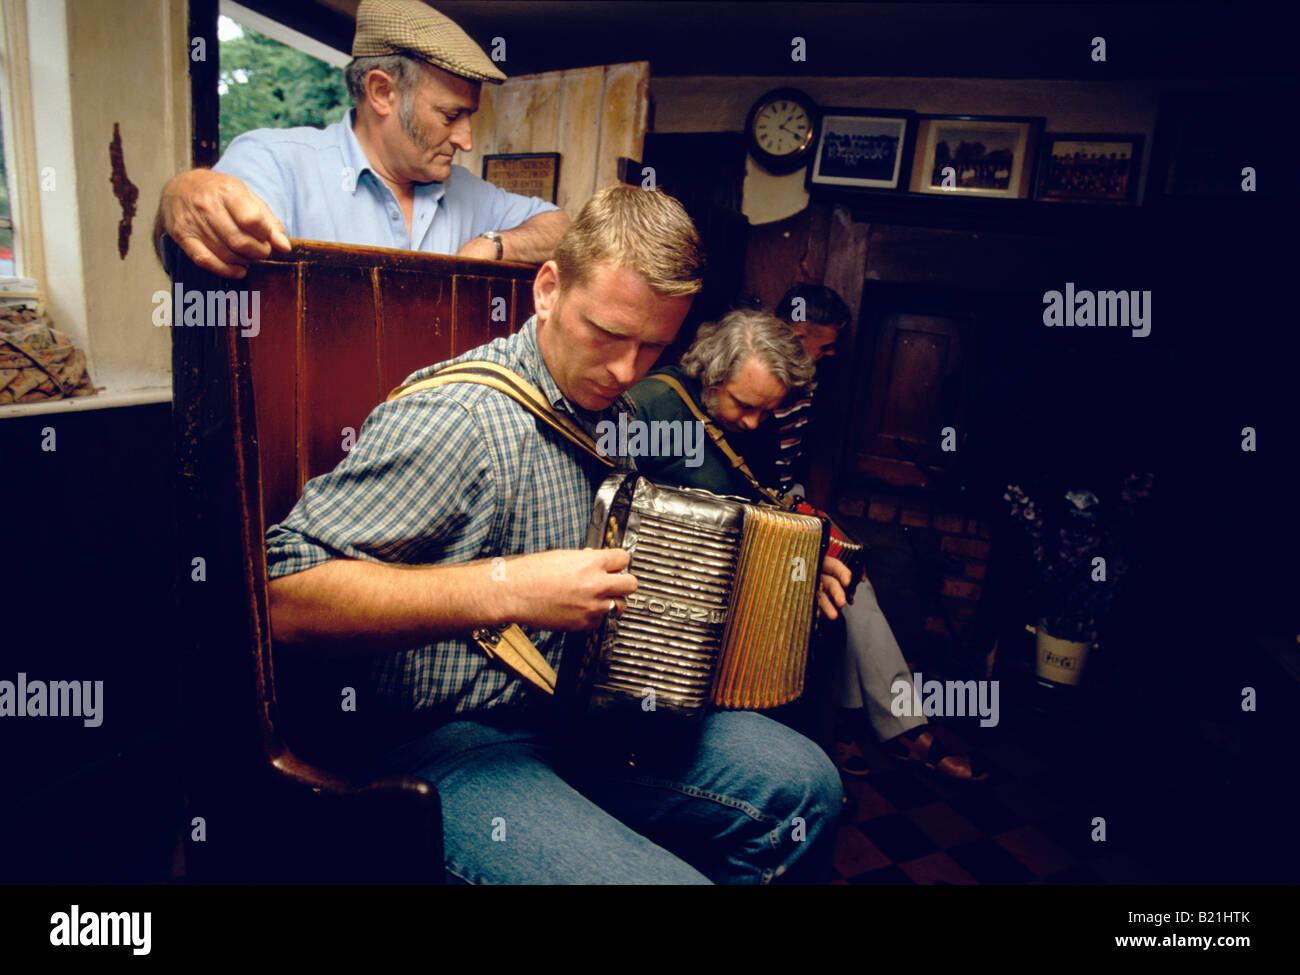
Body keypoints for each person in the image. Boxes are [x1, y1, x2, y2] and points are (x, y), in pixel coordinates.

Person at [264, 185, 842, 884]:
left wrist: (781, 588)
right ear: (546, 290)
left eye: (653, 346)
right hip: (440, 741)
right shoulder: (464, 417)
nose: (627, 370)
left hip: (574, 714)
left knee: (807, 784)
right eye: (606, 333)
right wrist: (509, 586)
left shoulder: (618, 415)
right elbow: (284, 599)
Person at [628, 301, 986, 782]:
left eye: (767, 409)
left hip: (736, 582)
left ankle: (809, 764)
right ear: (711, 376)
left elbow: (759, 509)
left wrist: (798, 562)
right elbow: (614, 513)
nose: (755, 422)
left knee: (833, 612)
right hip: (664, 602)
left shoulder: (760, 426)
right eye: (744, 405)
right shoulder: (650, 406)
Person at [156, 0, 568, 278]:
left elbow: (565, 232)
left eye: (469, 116)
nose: (466, 140)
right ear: (382, 92)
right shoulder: (276, 163)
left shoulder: (468, 195)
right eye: (450, 115)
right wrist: (178, 196)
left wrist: (495, 244)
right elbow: (195, 247)